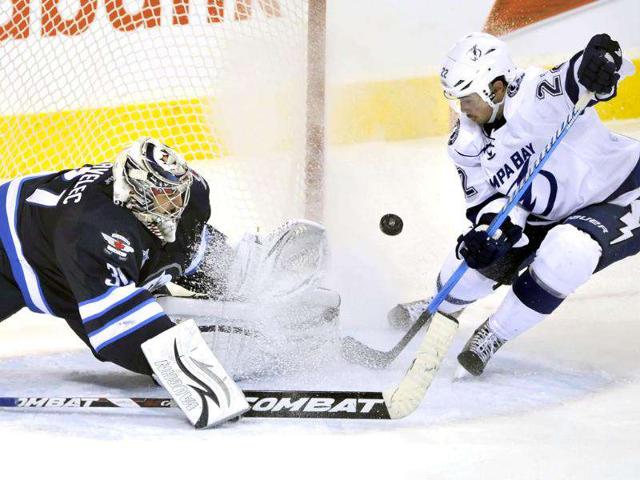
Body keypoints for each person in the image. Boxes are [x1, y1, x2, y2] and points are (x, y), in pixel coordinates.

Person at [0, 137, 337, 427]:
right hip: (8, 251)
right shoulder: (93, 230)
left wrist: (245, 279)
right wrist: (194, 371)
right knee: (128, 319)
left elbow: (190, 245)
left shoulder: (182, 194)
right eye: (164, 196)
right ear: (135, 192)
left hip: (64, 240)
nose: (176, 203)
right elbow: (117, 334)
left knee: (207, 267)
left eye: (177, 193)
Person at [388, 32, 640, 376]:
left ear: (496, 86)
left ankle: (495, 332)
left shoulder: (537, 93)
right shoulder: (465, 143)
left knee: (570, 250)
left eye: (468, 97)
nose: (462, 108)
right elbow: (489, 202)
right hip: (547, 208)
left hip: (621, 192)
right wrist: (484, 237)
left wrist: (598, 58)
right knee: (475, 256)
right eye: (456, 98)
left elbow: (577, 76)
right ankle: (440, 306)